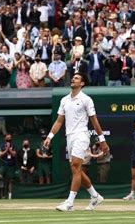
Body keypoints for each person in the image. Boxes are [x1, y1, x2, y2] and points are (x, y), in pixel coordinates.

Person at [44, 72, 109, 211]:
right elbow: (59, 121)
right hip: (70, 137)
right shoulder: (64, 100)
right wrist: (49, 136)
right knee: (76, 169)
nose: (73, 79)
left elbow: (94, 120)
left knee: (75, 167)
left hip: (81, 135)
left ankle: (69, 202)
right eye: (73, 77)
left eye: (77, 78)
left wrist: (102, 140)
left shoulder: (86, 99)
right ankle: (95, 196)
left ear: (82, 83)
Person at [0, 133, 17, 199]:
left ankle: (9, 197)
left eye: (10, 138)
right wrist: (6, 149)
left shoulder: (14, 145)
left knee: (10, 181)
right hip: (3, 164)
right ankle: (1, 194)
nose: (8, 139)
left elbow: (14, 154)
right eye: (7, 138)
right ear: (5, 138)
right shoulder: (1, 145)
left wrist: (9, 149)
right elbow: (0, 155)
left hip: (11, 165)